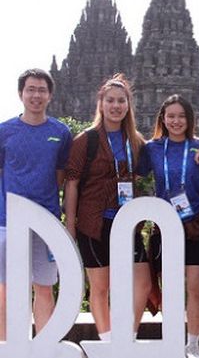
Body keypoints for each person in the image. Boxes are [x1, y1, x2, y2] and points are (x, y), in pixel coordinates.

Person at [63, 74, 150, 341]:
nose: (116, 106)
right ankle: (108, 342)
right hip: (94, 222)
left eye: (121, 101)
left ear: (128, 105)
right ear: (101, 103)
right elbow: (72, 183)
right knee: (100, 287)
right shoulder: (85, 140)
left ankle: (129, 338)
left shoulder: (136, 141)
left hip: (127, 222)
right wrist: (70, 226)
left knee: (143, 283)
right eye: (110, 100)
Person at [137, 94, 199, 358]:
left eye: (181, 116)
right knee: (169, 287)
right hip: (165, 224)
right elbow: (134, 173)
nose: (176, 121)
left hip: (194, 227)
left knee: (195, 287)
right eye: (171, 117)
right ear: (163, 119)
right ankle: (171, 340)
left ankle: (192, 344)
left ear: (190, 120)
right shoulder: (152, 149)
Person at [0, 69, 72, 340]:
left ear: (50, 95)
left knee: (44, 286)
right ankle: (6, 348)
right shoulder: (4, 131)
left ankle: (45, 348)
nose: (36, 95)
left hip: (47, 221)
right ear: (21, 94)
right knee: (6, 288)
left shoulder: (61, 132)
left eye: (42, 90)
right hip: (7, 221)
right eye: (31, 89)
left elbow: (60, 175)